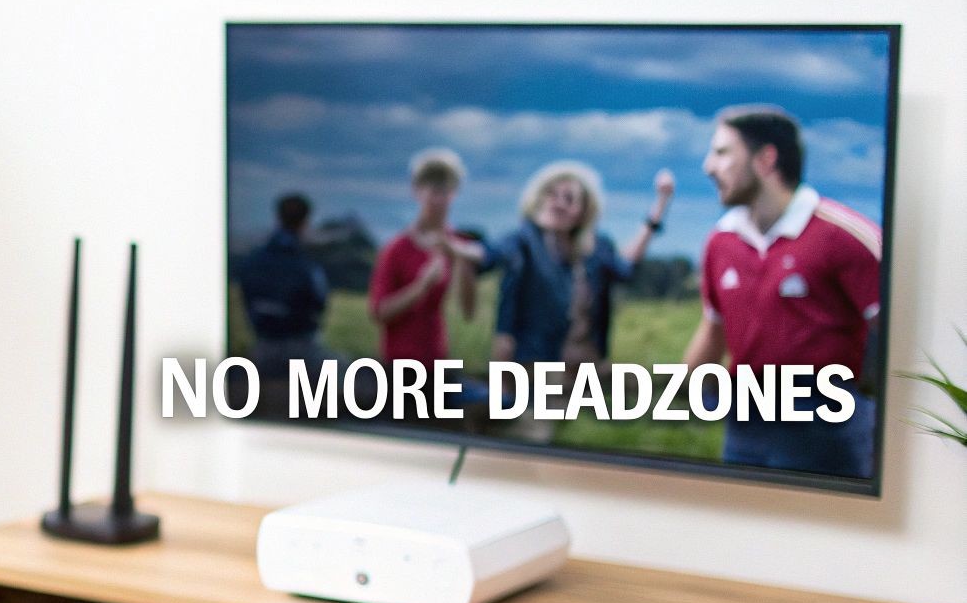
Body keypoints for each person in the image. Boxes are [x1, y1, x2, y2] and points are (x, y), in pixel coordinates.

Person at [683, 105, 881, 478]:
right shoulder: (720, 241)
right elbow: (713, 330)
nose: (709, 167)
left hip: (827, 422)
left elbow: (896, 334)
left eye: (723, 152)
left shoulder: (844, 236)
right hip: (746, 420)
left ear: (766, 158)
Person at [486, 161, 674, 366]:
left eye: (568, 198)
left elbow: (625, 267)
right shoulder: (524, 243)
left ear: (584, 209)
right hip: (538, 366)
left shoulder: (596, 249)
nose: (558, 204)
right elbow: (488, 255)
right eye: (551, 195)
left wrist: (660, 205)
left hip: (587, 363)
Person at [368, 148, 480, 366]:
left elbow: (468, 312)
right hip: (398, 362)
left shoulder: (457, 245)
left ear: (454, 192)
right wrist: (422, 286)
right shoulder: (396, 249)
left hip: (437, 360)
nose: (438, 199)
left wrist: (463, 263)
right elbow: (379, 312)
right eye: (433, 190)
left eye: (444, 190)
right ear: (417, 191)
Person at [237, 191, 337, 380]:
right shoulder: (306, 265)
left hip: (262, 346)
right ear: (305, 221)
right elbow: (319, 302)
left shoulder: (253, 261)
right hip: (301, 350)